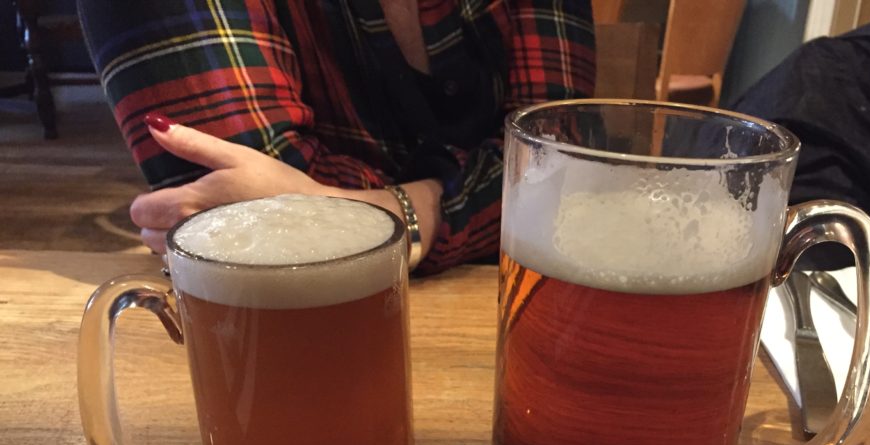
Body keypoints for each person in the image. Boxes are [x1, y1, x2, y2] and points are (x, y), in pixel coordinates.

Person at [77, 0, 595, 273]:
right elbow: (252, 230)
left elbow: (558, 170)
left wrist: (389, 213)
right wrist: (486, 198)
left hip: (512, 322)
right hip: (278, 349)